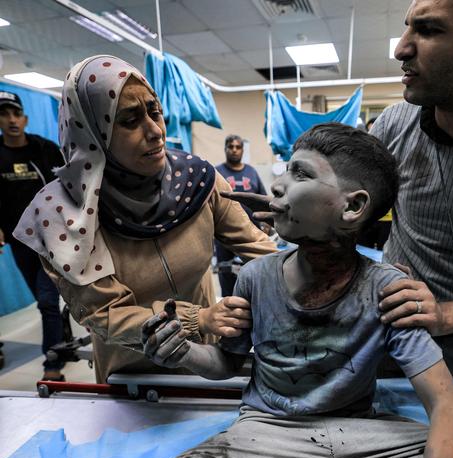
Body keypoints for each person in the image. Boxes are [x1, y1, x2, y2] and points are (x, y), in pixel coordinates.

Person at [141, 123, 453, 458]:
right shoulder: (255, 278)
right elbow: (227, 363)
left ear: (352, 207)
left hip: (361, 431)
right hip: (269, 430)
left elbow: (447, 404)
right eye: (284, 171)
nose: (278, 185)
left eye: (301, 174)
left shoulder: (389, 289)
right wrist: (184, 351)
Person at [223, 0, 453, 383]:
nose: (402, 48)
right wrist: (302, 214)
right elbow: (348, 213)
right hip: (377, 328)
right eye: (407, 28)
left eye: (430, 30)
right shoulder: (394, 126)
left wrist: (449, 315)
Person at [12, 55, 276, 383]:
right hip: (132, 376)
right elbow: (107, 314)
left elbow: (262, 251)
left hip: (208, 365)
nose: (155, 131)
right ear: (95, 132)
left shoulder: (198, 182)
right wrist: (199, 319)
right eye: (129, 120)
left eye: (154, 112)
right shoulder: (63, 215)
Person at [0, 90, 67, 380]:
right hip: (19, 242)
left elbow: (68, 187)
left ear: (25, 118)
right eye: (4, 114)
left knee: (46, 300)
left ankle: (53, 364)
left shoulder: (45, 149)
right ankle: (61, 335)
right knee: (45, 300)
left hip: (50, 240)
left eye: (16, 114)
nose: (12, 120)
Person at [214, 134, 267, 296]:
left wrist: (266, 226)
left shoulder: (251, 172)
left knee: (255, 273)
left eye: (238, 147)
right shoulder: (217, 172)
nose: (235, 150)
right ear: (225, 149)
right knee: (227, 274)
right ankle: (228, 307)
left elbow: (263, 199)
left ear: (243, 150)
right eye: (231, 147)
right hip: (224, 235)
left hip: (251, 233)